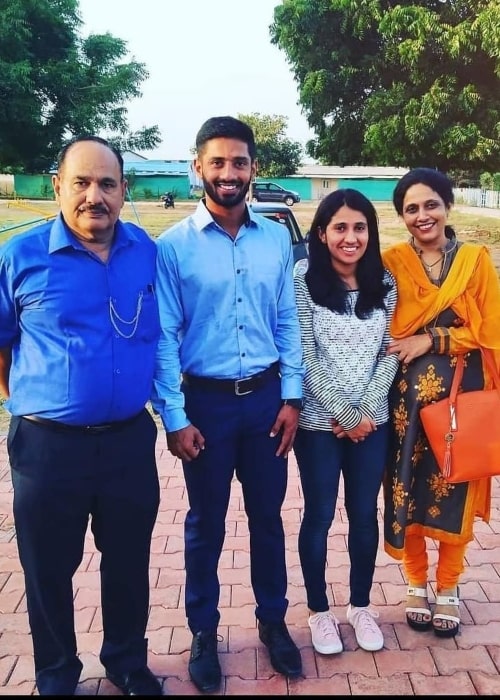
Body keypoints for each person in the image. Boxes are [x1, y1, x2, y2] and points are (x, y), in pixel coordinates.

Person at [0, 136, 163, 696]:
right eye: (82, 183)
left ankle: (124, 659)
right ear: (57, 187)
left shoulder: (145, 250)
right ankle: (56, 674)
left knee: (127, 562)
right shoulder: (20, 257)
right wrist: (26, 400)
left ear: (124, 191)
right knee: (48, 570)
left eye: (108, 184)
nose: (95, 196)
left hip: (127, 443)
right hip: (48, 448)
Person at [150, 116, 305, 693]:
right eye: (217, 163)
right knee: (205, 525)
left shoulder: (274, 241)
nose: (229, 173)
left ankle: (272, 622)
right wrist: (175, 415)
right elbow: (165, 335)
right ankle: (202, 632)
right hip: (206, 407)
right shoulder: (174, 248)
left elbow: (286, 322)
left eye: (239, 162)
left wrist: (292, 396)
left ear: (253, 169)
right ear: (198, 169)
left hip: (266, 401)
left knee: (268, 519)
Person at [383, 167, 500, 638]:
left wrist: (433, 339)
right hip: (404, 404)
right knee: (405, 487)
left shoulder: (475, 261)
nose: (422, 215)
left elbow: (490, 329)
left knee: (455, 484)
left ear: (447, 206)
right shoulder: (391, 262)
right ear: (401, 216)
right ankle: (416, 582)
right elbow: (377, 325)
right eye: (411, 208)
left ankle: (448, 585)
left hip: (464, 397)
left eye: (430, 204)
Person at [293, 189, 399, 655]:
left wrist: (364, 413)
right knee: (318, 516)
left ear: (370, 233)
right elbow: (303, 353)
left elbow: (389, 352)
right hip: (319, 424)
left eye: (360, 227)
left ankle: (360, 607)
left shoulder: (386, 283)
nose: (350, 237)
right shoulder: (303, 278)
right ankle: (320, 612)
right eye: (339, 227)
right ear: (321, 233)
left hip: (370, 426)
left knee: (362, 515)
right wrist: (342, 411)